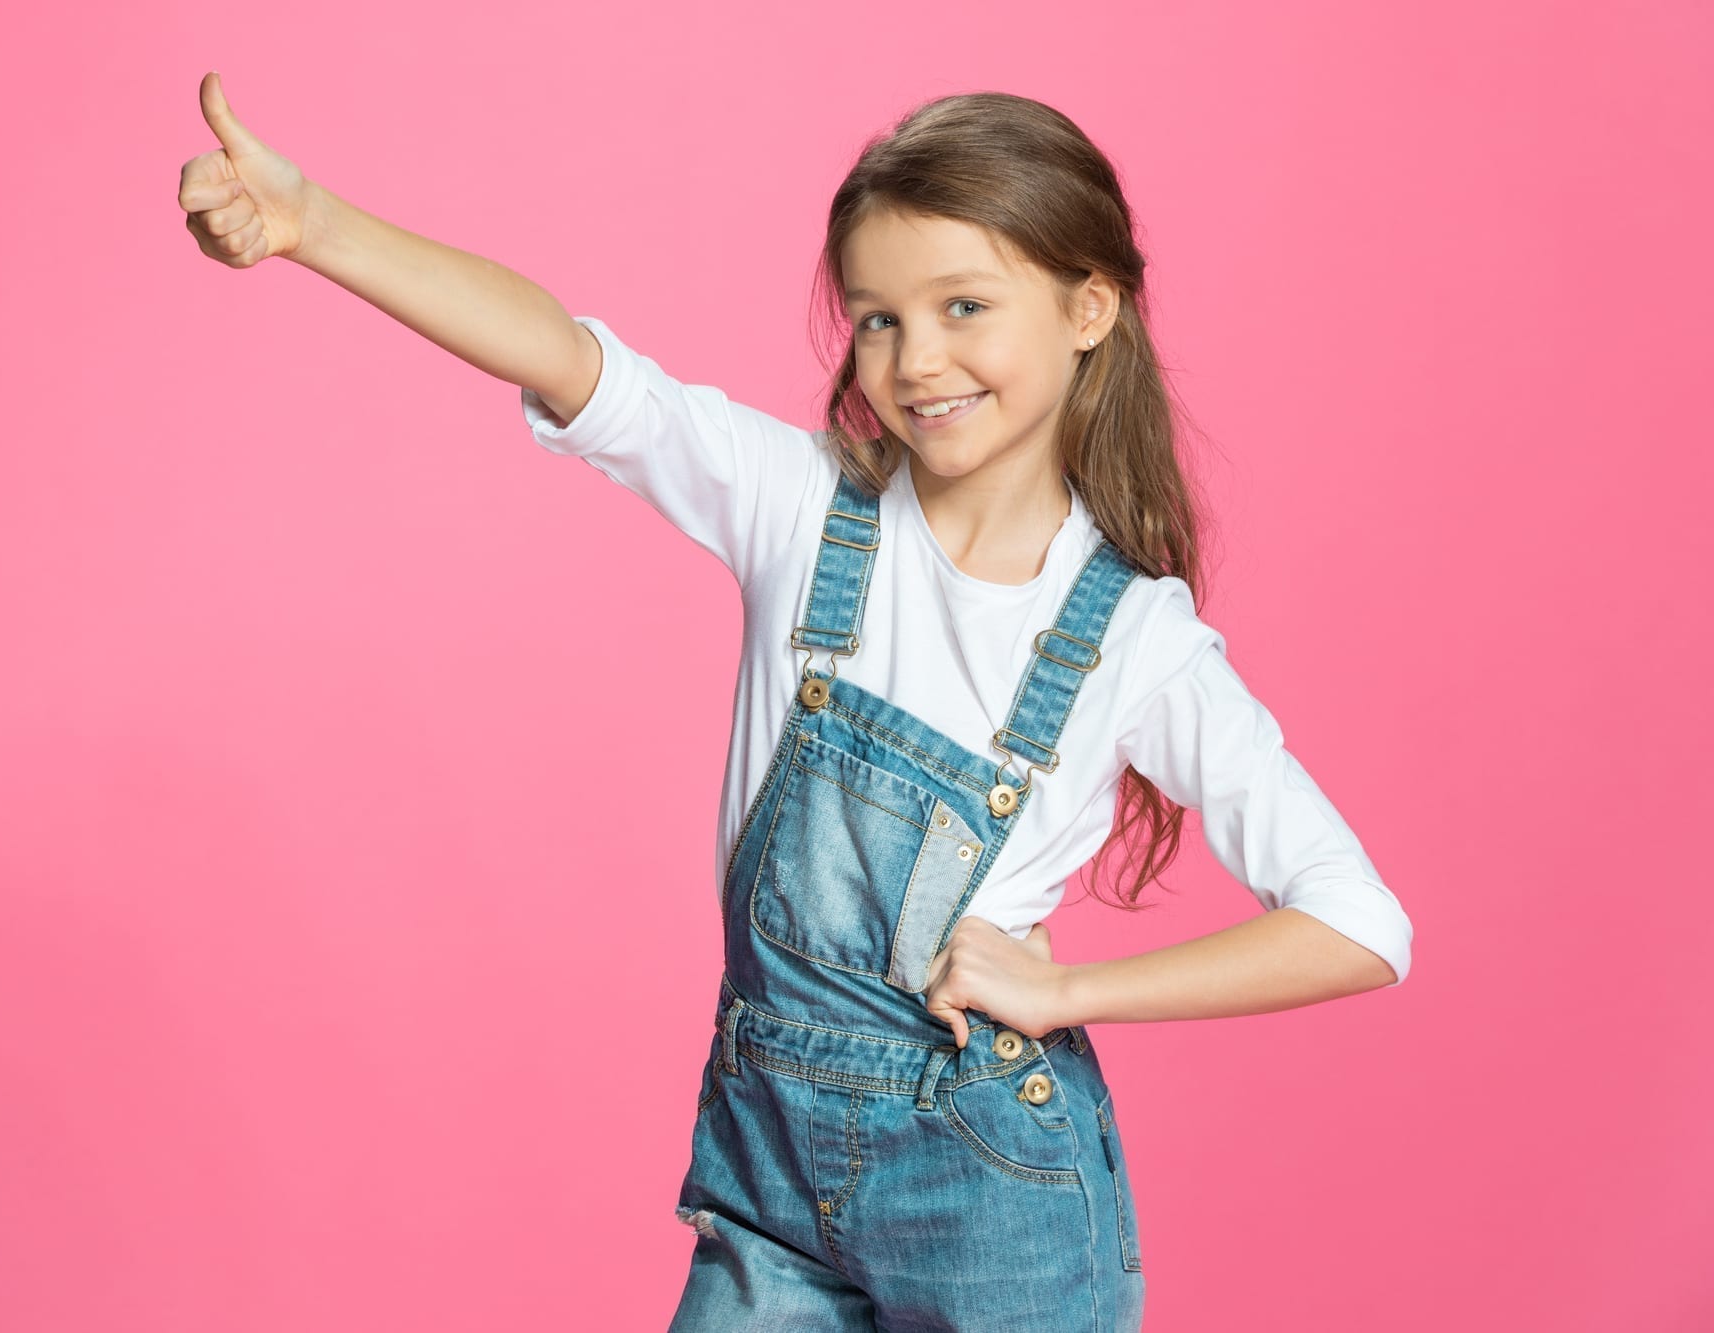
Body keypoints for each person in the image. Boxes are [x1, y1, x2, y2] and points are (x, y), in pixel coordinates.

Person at [179, 75, 1414, 1331]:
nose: (913, 360)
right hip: (766, 1165)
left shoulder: (1133, 641)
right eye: (875, 319)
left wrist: (1069, 994)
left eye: (963, 307)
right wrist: (313, 225)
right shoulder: (802, 510)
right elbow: (570, 357)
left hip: (989, 1191)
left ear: (1088, 306)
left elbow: (1358, 924)